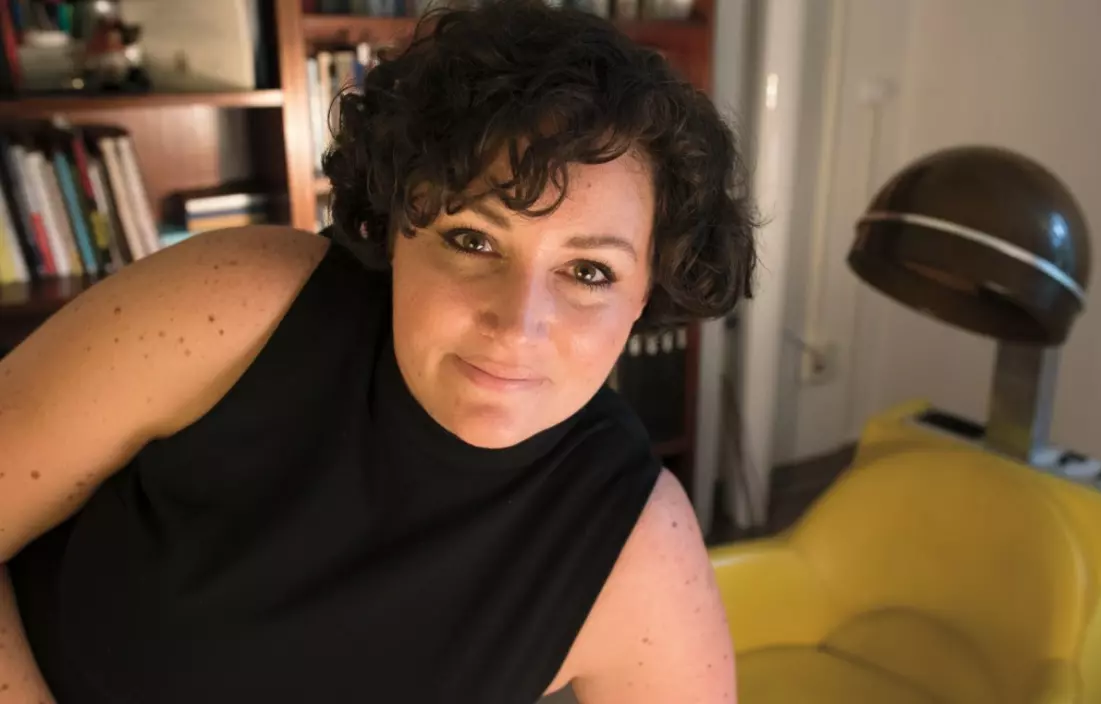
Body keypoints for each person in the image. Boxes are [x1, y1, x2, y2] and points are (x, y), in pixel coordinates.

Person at [0, 1, 756, 703]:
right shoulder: (235, 307)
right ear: (396, 229)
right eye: (472, 239)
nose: (517, 324)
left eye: (589, 272)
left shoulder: (635, 543)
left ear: (647, 294)